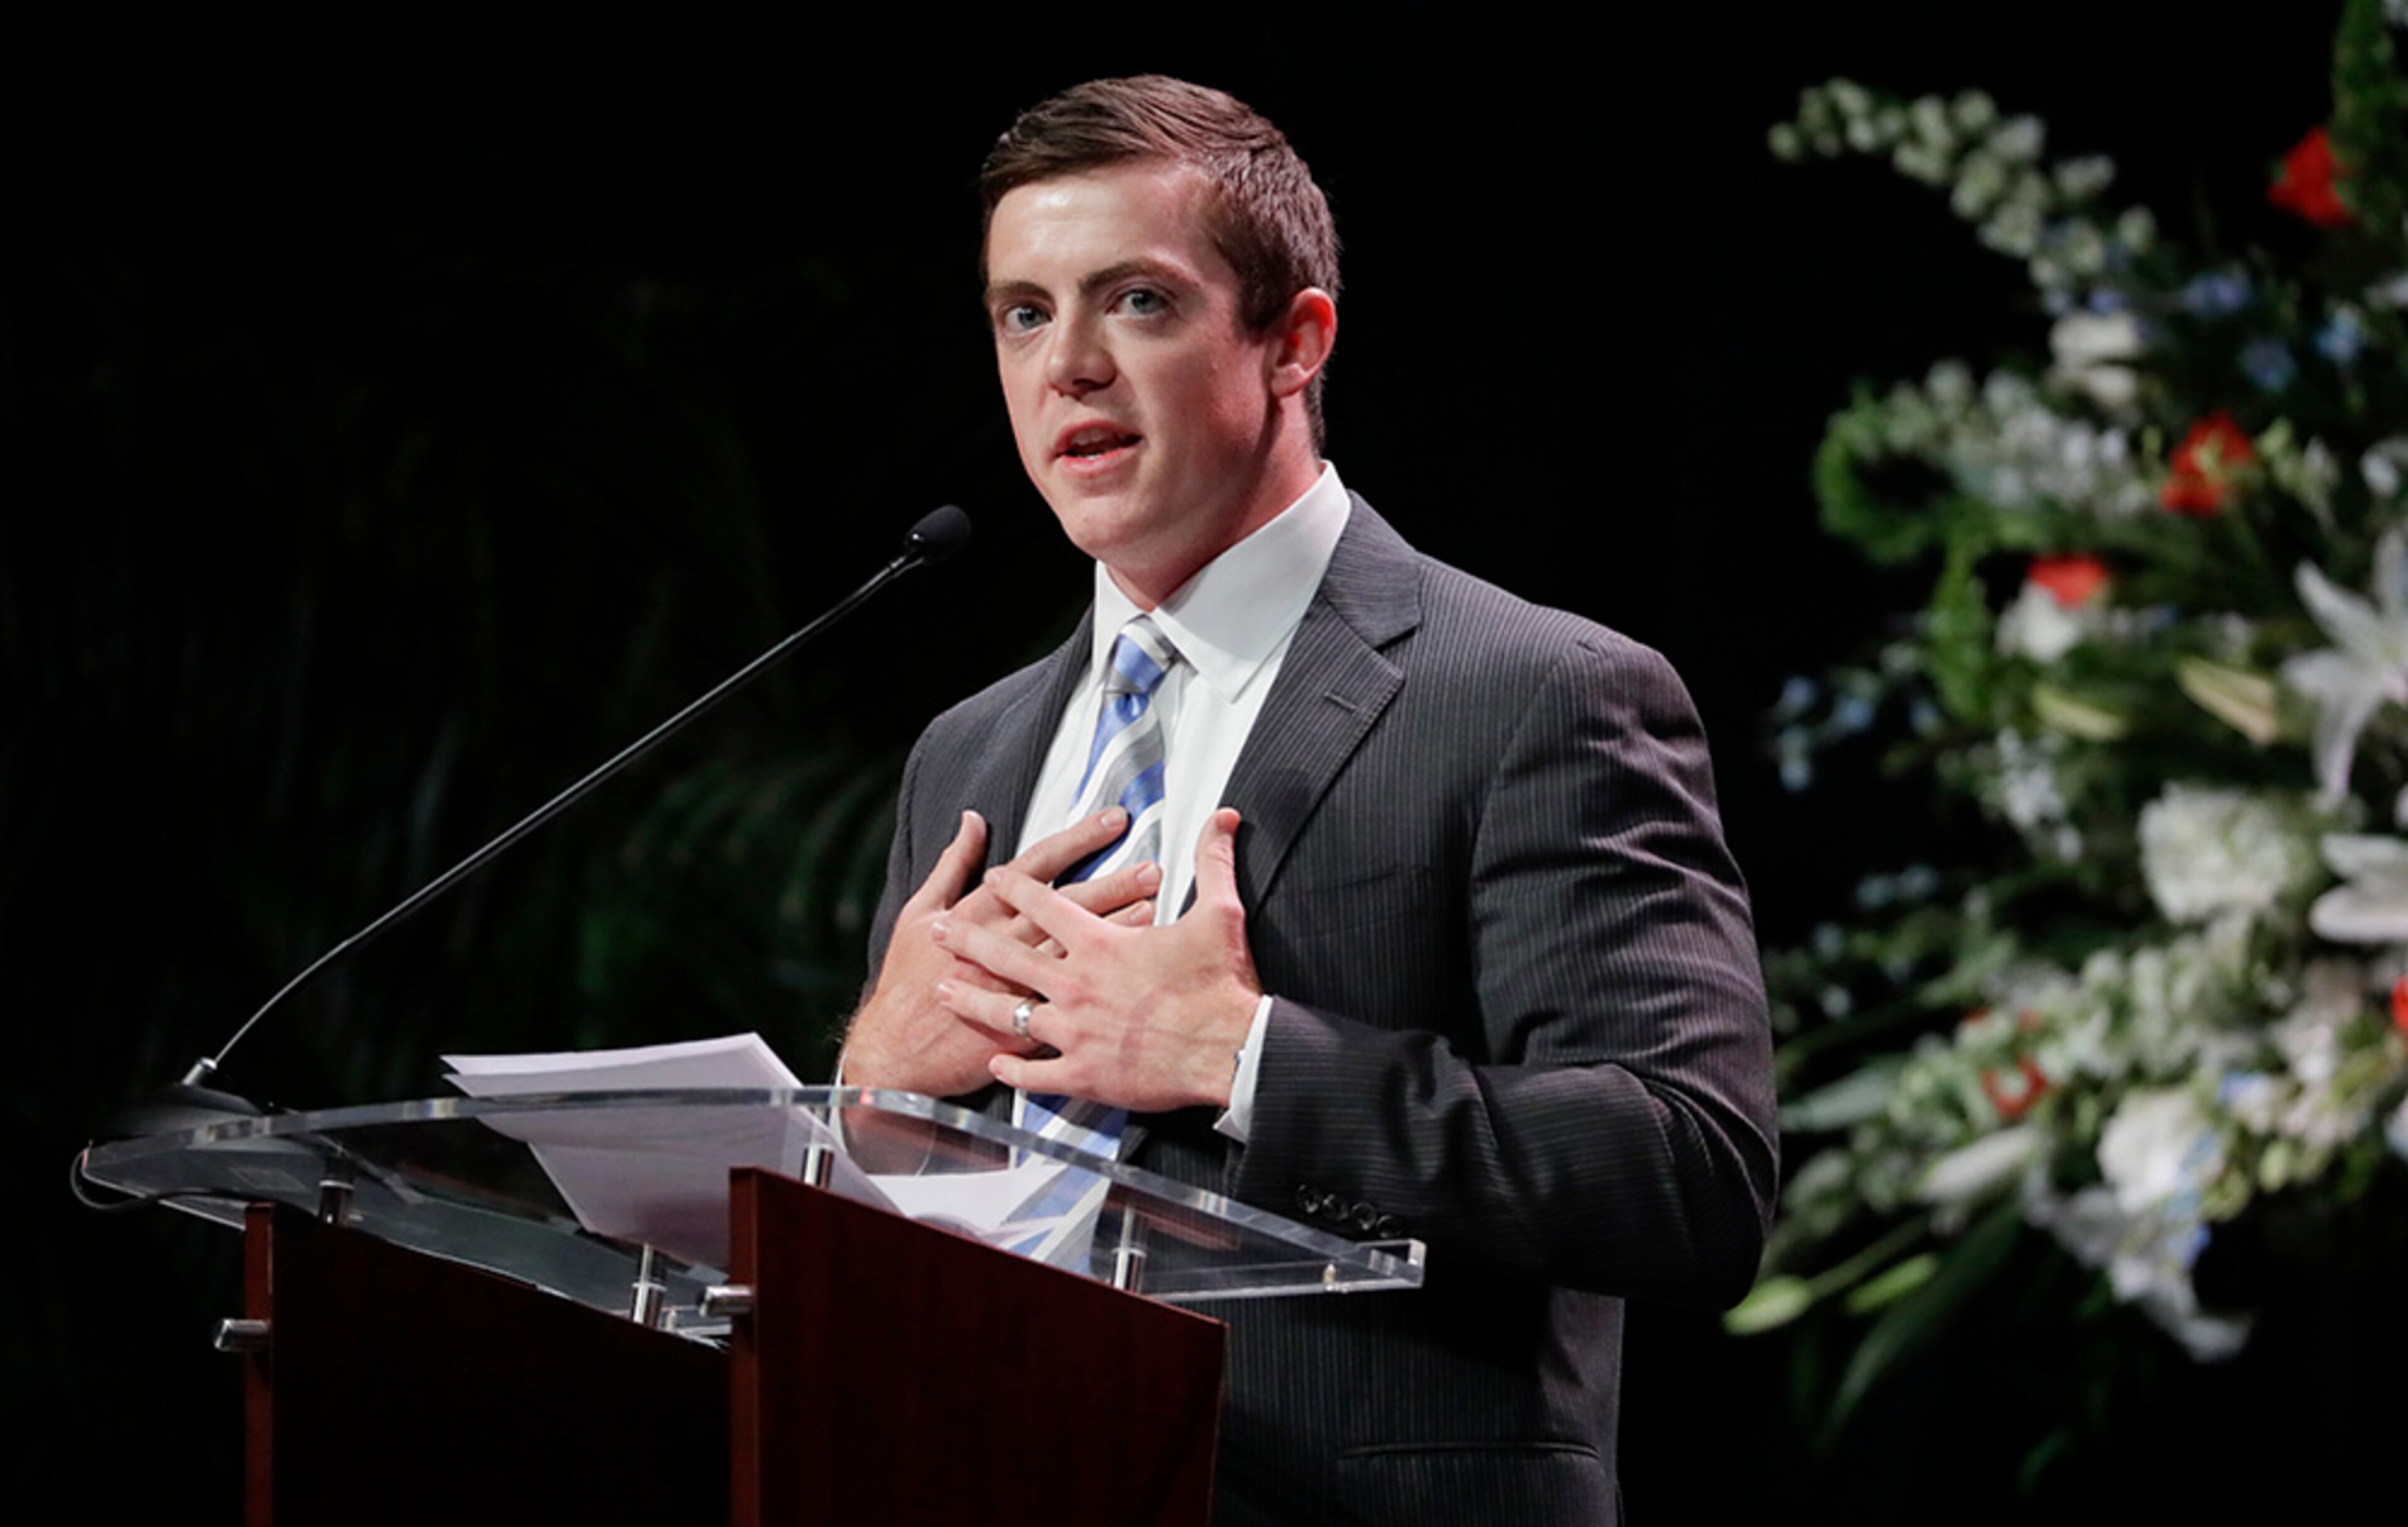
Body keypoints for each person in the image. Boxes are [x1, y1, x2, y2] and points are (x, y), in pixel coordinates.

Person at [838, 75, 1777, 1526]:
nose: (1067, 366)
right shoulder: (966, 753)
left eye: (1135, 302)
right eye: (1025, 313)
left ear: (1294, 341)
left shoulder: (1533, 692)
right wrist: (874, 1088)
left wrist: (1246, 1058)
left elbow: (1690, 1172)